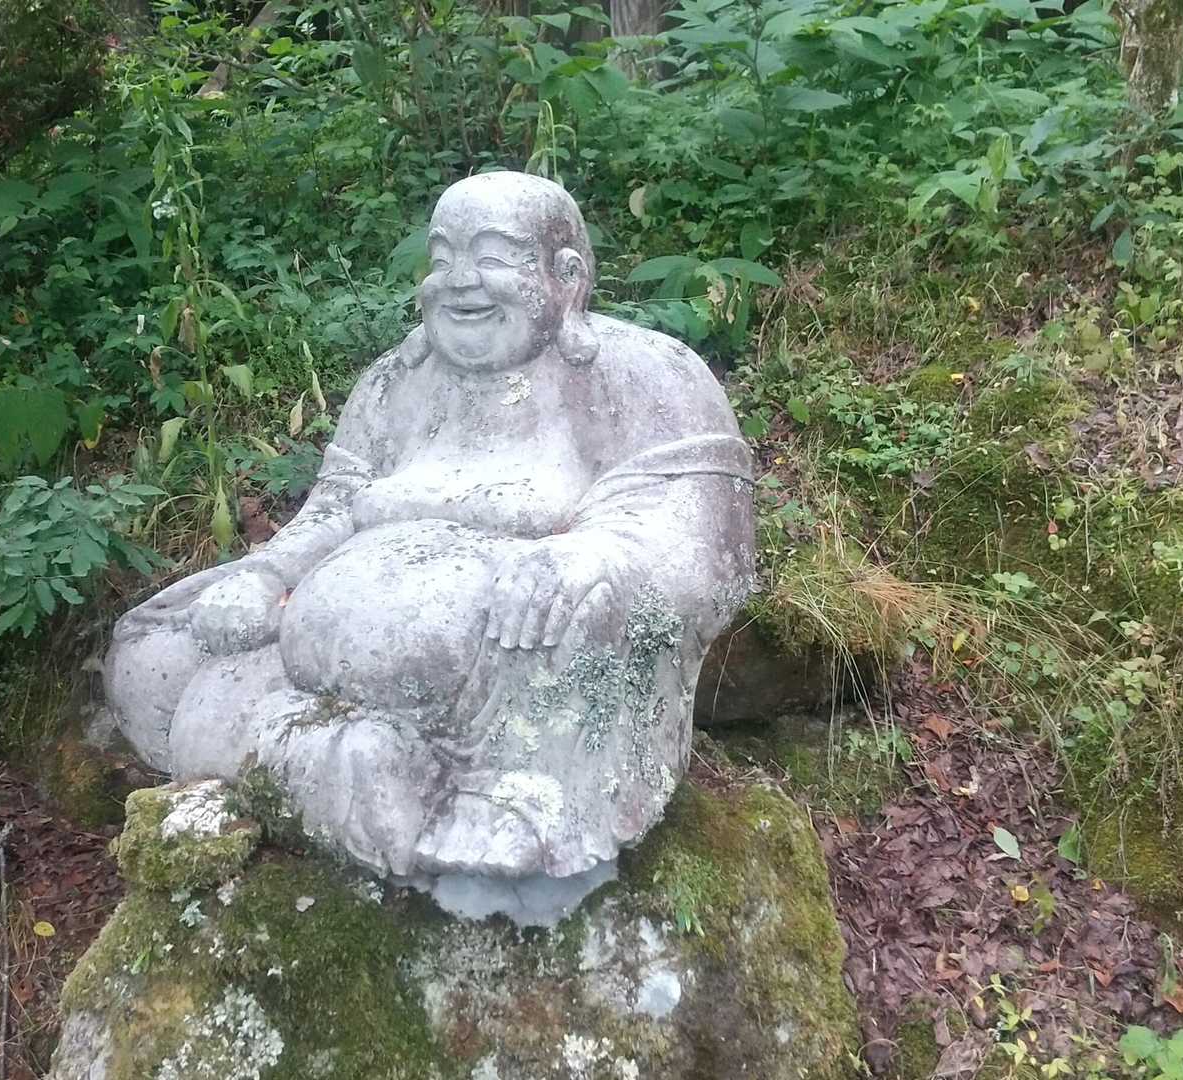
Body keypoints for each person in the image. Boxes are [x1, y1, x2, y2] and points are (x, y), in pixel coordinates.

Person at [104, 171, 755, 922]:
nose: (458, 281)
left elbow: (701, 537)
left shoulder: (643, 375)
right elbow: (333, 509)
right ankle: (345, 760)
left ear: (567, 275)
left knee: (582, 615)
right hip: (319, 655)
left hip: (503, 668)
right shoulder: (394, 384)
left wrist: (594, 557)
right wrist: (264, 573)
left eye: (491, 256)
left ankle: (469, 794)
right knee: (150, 659)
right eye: (442, 257)